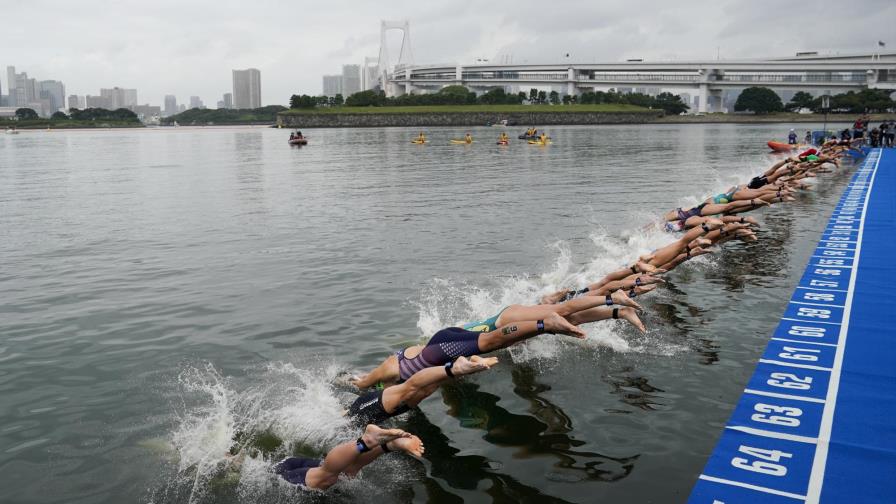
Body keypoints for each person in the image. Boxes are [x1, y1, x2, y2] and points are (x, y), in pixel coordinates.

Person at [348, 355, 498, 423]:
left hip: (362, 410)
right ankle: (469, 366)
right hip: (387, 410)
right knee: (426, 389)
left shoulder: (345, 420)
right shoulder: (383, 385)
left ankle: (457, 367)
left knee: (410, 387)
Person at [270, 424, 424, 489]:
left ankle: (366, 441)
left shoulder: (267, 479)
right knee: (349, 471)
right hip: (289, 465)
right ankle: (391, 445)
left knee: (327, 477)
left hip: (283, 473)